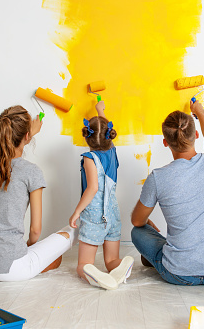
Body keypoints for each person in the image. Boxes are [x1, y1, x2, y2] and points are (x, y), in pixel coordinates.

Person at [131, 99, 204, 285]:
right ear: (197, 135)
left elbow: (136, 221)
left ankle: (159, 260)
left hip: (178, 274)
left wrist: (145, 223)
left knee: (138, 232)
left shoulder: (158, 177)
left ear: (165, 142)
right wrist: (199, 111)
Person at [0, 105, 77, 281]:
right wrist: (29, 250)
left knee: (51, 258)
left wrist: (26, 135)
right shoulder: (31, 172)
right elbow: (35, 230)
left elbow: (2, 157)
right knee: (71, 234)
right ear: (27, 136)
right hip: (12, 270)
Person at [69, 101, 134, 290]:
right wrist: (100, 111)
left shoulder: (89, 158)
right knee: (111, 259)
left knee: (82, 265)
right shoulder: (112, 152)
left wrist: (76, 212)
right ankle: (120, 265)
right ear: (109, 136)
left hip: (95, 217)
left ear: (87, 138)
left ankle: (91, 273)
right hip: (113, 214)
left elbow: (93, 188)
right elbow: (104, 133)